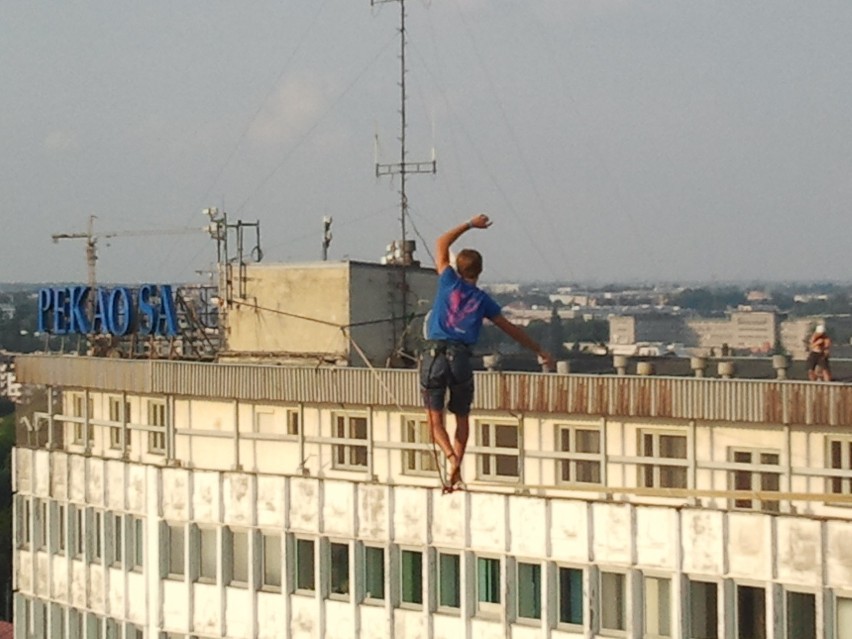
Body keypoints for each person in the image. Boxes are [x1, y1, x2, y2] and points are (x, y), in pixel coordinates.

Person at [420, 214, 555, 491]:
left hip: (434, 356)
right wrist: (539, 350)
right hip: (460, 359)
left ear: (457, 268)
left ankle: (448, 455)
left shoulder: (447, 281)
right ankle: (457, 460)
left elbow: (441, 241)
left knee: (434, 420)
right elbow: (511, 329)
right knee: (461, 417)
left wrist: (469, 225)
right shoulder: (483, 301)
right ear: (479, 272)